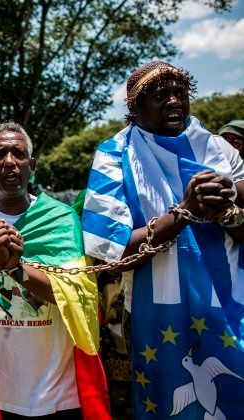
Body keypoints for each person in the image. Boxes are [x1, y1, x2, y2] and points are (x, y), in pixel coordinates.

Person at [83, 61, 244, 419]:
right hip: (156, 311)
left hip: (229, 303)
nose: (174, 102)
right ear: (133, 107)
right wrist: (184, 211)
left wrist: (226, 211)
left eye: (180, 94)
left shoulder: (218, 148)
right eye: (160, 96)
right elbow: (111, 250)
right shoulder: (114, 156)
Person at [0, 122, 109, 418]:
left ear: (31, 165)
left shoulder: (61, 218)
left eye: (18, 154)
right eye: (0, 154)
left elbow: (78, 295)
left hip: (57, 393)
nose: (9, 161)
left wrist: (18, 269)